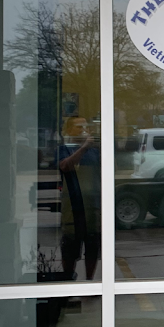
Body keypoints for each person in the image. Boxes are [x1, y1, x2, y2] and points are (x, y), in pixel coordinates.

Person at [58, 116, 101, 281]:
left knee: (92, 246)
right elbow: (65, 166)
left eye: (85, 126)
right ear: (69, 130)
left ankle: (90, 281)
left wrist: (103, 148)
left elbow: (110, 169)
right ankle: (69, 282)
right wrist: (84, 147)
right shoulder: (64, 149)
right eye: (79, 126)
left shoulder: (94, 151)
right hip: (72, 206)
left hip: (92, 206)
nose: (83, 129)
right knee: (70, 247)